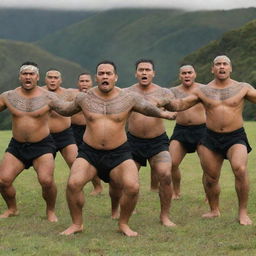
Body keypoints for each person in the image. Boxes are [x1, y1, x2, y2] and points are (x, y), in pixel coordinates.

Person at [55, 61, 176, 236]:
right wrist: (48, 100)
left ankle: (123, 224)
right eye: (101, 73)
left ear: (115, 77)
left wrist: (163, 113)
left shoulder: (127, 98)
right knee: (73, 184)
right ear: (96, 77)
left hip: (119, 153)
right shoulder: (84, 98)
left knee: (132, 187)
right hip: (90, 152)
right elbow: (66, 110)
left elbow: (146, 108)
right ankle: (77, 224)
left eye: (108, 73)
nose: (105, 76)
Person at [158, 55, 254, 225]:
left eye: (225, 64)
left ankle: (243, 212)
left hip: (235, 136)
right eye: (218, 64)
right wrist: (162, 102)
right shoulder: (203, 91)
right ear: (212, 69)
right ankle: (214, 209)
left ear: (230, 68)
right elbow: (180, 105)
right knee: (211, 177)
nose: (222, 67)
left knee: (239, 169)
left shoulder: (242, 88)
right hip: (210, 137)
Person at [0, 62, 60, 222]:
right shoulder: (8, 96)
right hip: (17, 146)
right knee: (3, 181)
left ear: (37, 77)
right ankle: (12, 209)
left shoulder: (49, 97)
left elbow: (69, 109)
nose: (28, 76)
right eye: (25, 73)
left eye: (31, 74)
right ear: (20, 77)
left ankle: (50, 211)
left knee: (46, 181)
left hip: (42, 145)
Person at [125, 59, 176, 227]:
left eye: (148, 70)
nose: (144, 73)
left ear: (154, 73)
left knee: (165, 174)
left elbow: (176, 105)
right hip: (133, 141)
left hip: (158, 142)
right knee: (128, 180)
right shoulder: (127, 93)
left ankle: (165, 216)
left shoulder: (164, 92)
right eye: (141, 70)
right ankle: (127, 211)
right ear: (136, 73)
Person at [169, 64, 206, 199]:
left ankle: (209, 195)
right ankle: (176, 192)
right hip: (181, 130)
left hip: (202, 130)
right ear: (180, 76)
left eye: (189, 72)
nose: (187, 75)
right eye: (184, 73)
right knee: (171, 163)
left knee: (208, 166)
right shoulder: (173, 91)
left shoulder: (204, 89)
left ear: (194, 74)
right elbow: (165, 105)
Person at [70, 72, 103, 195]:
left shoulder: (97, 95)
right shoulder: (72, 94)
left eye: (87, 81)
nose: (84, 83)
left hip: (91, 130)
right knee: (77, 160)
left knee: (93, 160)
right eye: (82, 81)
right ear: (78, 83)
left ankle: (98, 186)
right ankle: (78, 184)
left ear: (92, 83)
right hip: (72, 131)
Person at [43, 69, 78, 170]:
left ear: (60, 80)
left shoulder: (69, 94)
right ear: (45, 79)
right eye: (50, 77)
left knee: (76, 163)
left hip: (65, 135)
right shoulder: (38, 93)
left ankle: (97, 186)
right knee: (46, 170)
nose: (52, 80)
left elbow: (86, 97)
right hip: (45, 136)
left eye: (55, 78)